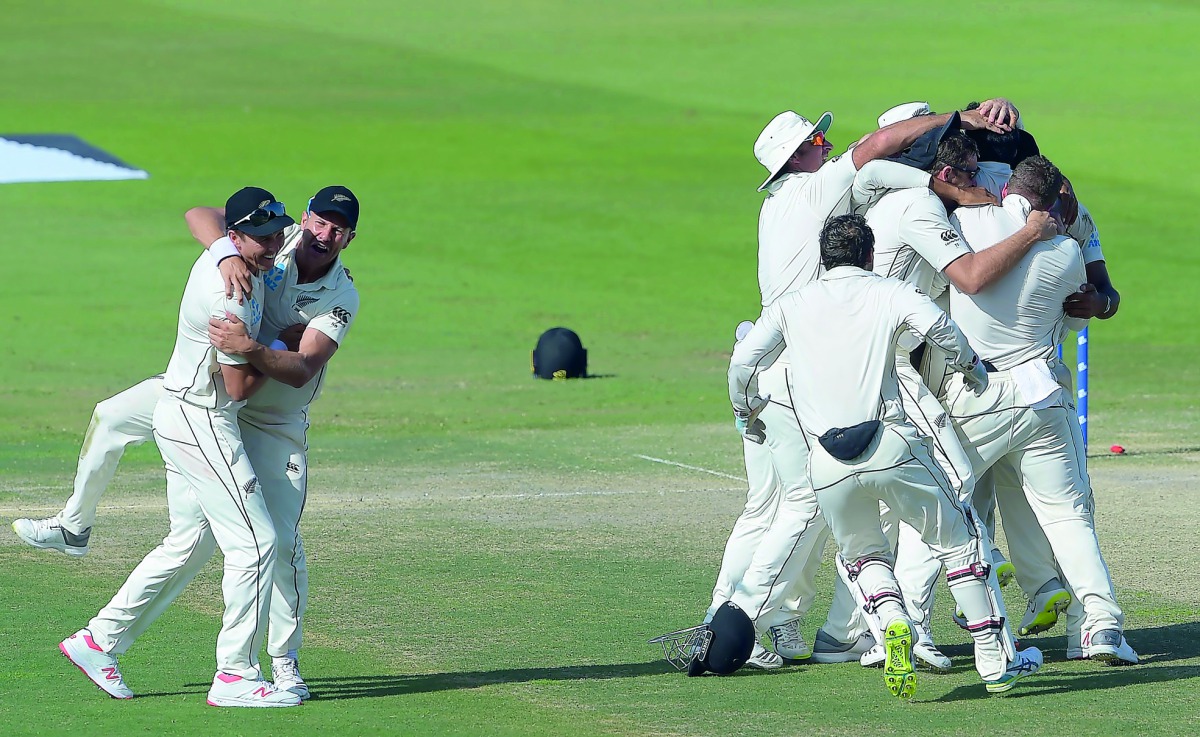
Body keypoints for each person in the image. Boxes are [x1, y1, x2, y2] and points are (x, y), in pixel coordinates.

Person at [26, 185, 361, 701]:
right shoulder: (262, 253)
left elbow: (302, 369)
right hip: (209, 410)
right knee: (250, 540)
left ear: (350, 238)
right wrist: (230, 265)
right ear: (304, 218)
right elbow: (200, 214)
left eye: (337, 228)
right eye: (318, 221)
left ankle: (277, 659)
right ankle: (233, 674)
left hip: (269, 424)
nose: (322, 234)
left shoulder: (337, 290)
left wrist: (257, 341)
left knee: (258, 542)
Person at [707, 104, 1003, 669]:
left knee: (767, 505)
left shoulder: (779, 206)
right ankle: (738, 626)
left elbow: (874, 173)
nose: (828, 142)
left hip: (770, 360)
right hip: (801, 368)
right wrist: (958, 126)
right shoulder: (813, 190)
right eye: (819, 138)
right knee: (803, 504)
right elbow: (873, 149)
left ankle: (757, 620)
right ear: (798, 157)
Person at [729, 214, 1044, 698]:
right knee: (959, 542)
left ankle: (893, 620)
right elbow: (940, 328)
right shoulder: (889, 292)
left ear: (824, 257)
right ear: (869, 255)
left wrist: (745, 408)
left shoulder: (791, 305)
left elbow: (745, 360)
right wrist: (973, 369)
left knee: (864, 557)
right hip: (889, 443)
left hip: (827, 463)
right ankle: (994, 660)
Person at [845, 129, 1057, 670]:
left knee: (936, 496)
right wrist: (1032, 231)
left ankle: (904, 630)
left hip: (897, 364)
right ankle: (949, 635)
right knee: (948, 489)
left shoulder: (905, 196)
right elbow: (970, 276)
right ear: (944, 175)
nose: (978, 183)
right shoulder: (919, 208)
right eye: (966, 174)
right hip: (893, 371)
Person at [946, 156, 1137, 665]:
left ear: (1005, 183)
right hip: (1038, 396)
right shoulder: (1066, 252)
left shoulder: (959, 222)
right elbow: (1076, 318)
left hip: (970, 396)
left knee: (944, 512)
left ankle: (913, 630)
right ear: (1055, 202)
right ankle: (1098, 626)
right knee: (1068, 515)